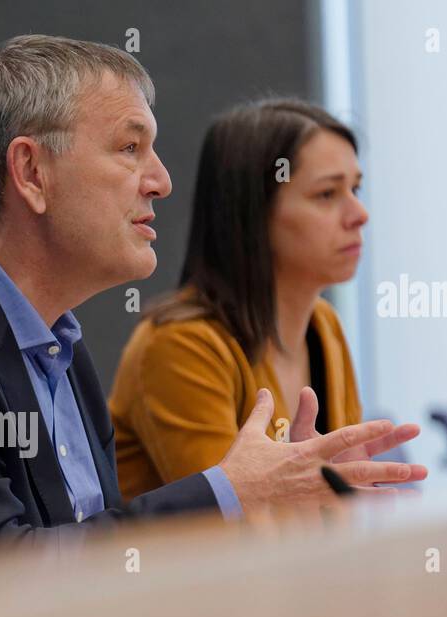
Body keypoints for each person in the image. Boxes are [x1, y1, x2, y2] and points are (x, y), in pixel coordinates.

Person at [0, 36, 420, 567]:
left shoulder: (58, 346)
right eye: (129, 148)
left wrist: (285, 501)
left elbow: (93, 557)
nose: (162, 180)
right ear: (32, 173)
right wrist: (230, 494)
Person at [109, 99, 425, 500]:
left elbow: (335, 499)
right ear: (253, 213)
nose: (359, 213)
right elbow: (234, 529)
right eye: (327, 194)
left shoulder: (322, 323)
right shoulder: (179, 347)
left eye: (355, 188)